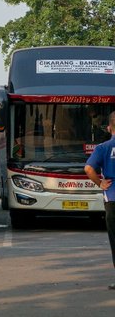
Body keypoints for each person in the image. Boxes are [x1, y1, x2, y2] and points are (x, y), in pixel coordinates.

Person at [85, 111, 115, 290]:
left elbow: (88, 168)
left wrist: (100, 183)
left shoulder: (103, 148)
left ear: (110, 127)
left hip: (112, 197)